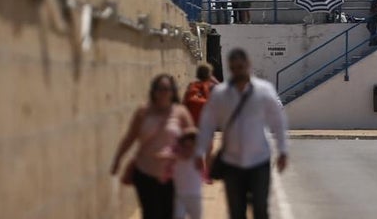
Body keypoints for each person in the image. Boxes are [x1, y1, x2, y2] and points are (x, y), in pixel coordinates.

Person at [196, 48, 289, 219]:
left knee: (261, 210)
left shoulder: (264, 90)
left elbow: (278, 122)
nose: (238, 71)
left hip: (259, 160)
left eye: (241, 67)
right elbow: (207, 124)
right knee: (236, 212)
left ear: (248, 65)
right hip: (232, 163)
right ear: (230, 68)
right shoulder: (220, 94)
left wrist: (283, 151)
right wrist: (198, 152)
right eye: (234, 68)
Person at [111, 73, 195, 219]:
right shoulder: (143, 112)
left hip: (173, 174)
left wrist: (186, 155)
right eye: (160, 89)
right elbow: (130, 137)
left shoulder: (180, 113)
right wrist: (117, 159)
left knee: (170, 214)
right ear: (153, 91)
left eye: (167, 89)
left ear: (173, 91)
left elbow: (192, 138)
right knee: (151, 214)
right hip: (145, 172)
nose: (163, 93)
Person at [173, 129, 205, 219]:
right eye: (185, 147)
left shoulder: (197, 159)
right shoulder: (176, 158)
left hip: (195, 196)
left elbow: (203, 166)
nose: (188, 150)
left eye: (191, 147)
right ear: (180, 147)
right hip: (179, 196)